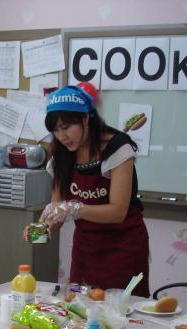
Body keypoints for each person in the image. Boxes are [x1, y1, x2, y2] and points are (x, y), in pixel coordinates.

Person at [32, 85, 150, 297]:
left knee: (121, 310)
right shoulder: (61, 154)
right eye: (56, 130)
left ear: (85, 118)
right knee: (79, 306)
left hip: (123, 247)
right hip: (85, 250)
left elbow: (118, 211)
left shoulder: (117, 148)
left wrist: (75, 208)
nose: (62, 136)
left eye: (66, 127)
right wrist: (41, 230)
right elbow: (56, 211)